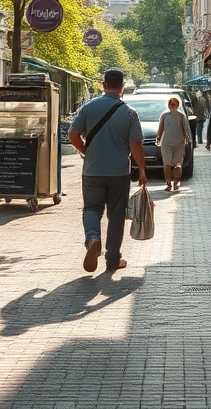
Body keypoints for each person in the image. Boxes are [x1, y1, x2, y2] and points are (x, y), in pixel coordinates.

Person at [68, 67, 149, 273]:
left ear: (103, 85)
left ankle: (93, 238)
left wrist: (85, 151)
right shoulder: (130, 113)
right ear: (122, 87)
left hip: (92, 171)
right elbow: (136, 145)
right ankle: (113, 259)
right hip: (118, 173)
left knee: (92, 209)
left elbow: (73, 134)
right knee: (116, 215)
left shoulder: (87, 108)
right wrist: (141, 170)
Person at [157, 96, 191, 191]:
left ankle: (176, 182)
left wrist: (187, 139)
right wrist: (158, 137)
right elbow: (160, 128)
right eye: (170, 104)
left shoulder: (181, 116)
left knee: (177, 164)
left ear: (177, 105)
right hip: (166, 142)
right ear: (168, 105)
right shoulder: (164, 115)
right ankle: (168, 183)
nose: (172, 106)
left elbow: (185, 129)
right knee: (167, 163)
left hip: (179, 142)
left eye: (174, 104)